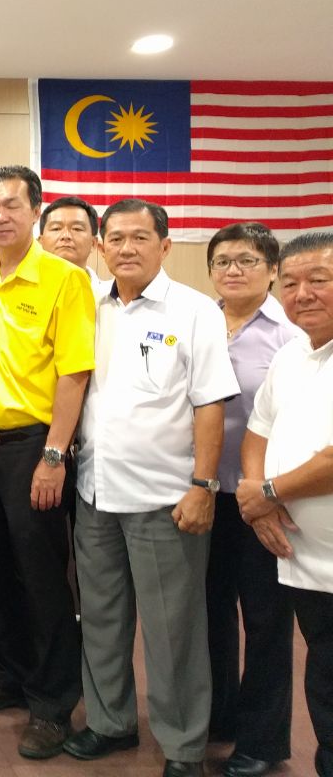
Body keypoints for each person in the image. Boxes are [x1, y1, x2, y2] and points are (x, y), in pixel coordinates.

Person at [64, 198, 239, 777]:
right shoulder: (89, 304)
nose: (126, 248)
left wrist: (203, 485)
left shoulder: (194, 311)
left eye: (139, 237)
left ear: (165, 246)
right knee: (101, 620)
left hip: (166, 498)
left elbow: (209, 403)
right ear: (100, 247)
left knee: (172, 631)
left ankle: (183, 745)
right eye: (114, 238)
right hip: (95, 493)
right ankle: (110, 723)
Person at [0, 165, 93, 759]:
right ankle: (9, 673)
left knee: (42, 577)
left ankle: (52, 702)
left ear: (35, 211)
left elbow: (74, 373)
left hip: (34, 447)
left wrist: (54, 456)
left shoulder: (65, 279)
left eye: (11, 204)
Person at [203, 222, 299, 777]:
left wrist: (267, 493)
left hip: (262, 500)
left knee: (265, 621)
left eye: (246, 260)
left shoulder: (290, 335)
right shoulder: (199, 323)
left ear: (271, 270)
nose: (233, 270)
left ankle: (262, 741)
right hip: (204, 493)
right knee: (209, 612)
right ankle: (219, 716)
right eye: (222, 261)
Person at [238, 230, 333, 777]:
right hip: (304, 562)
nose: (302, 294)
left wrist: (268, 493)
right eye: (292, 283)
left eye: (318, 279)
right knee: (323, 682)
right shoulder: (292, 354)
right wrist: (260, 502)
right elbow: (258, 431)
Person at [38, 194, 110, 299]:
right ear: (41, 242)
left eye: (77, 228)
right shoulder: (22, 292)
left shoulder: (109, 298)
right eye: (56, 228)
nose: (65, 236)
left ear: (93, 243)